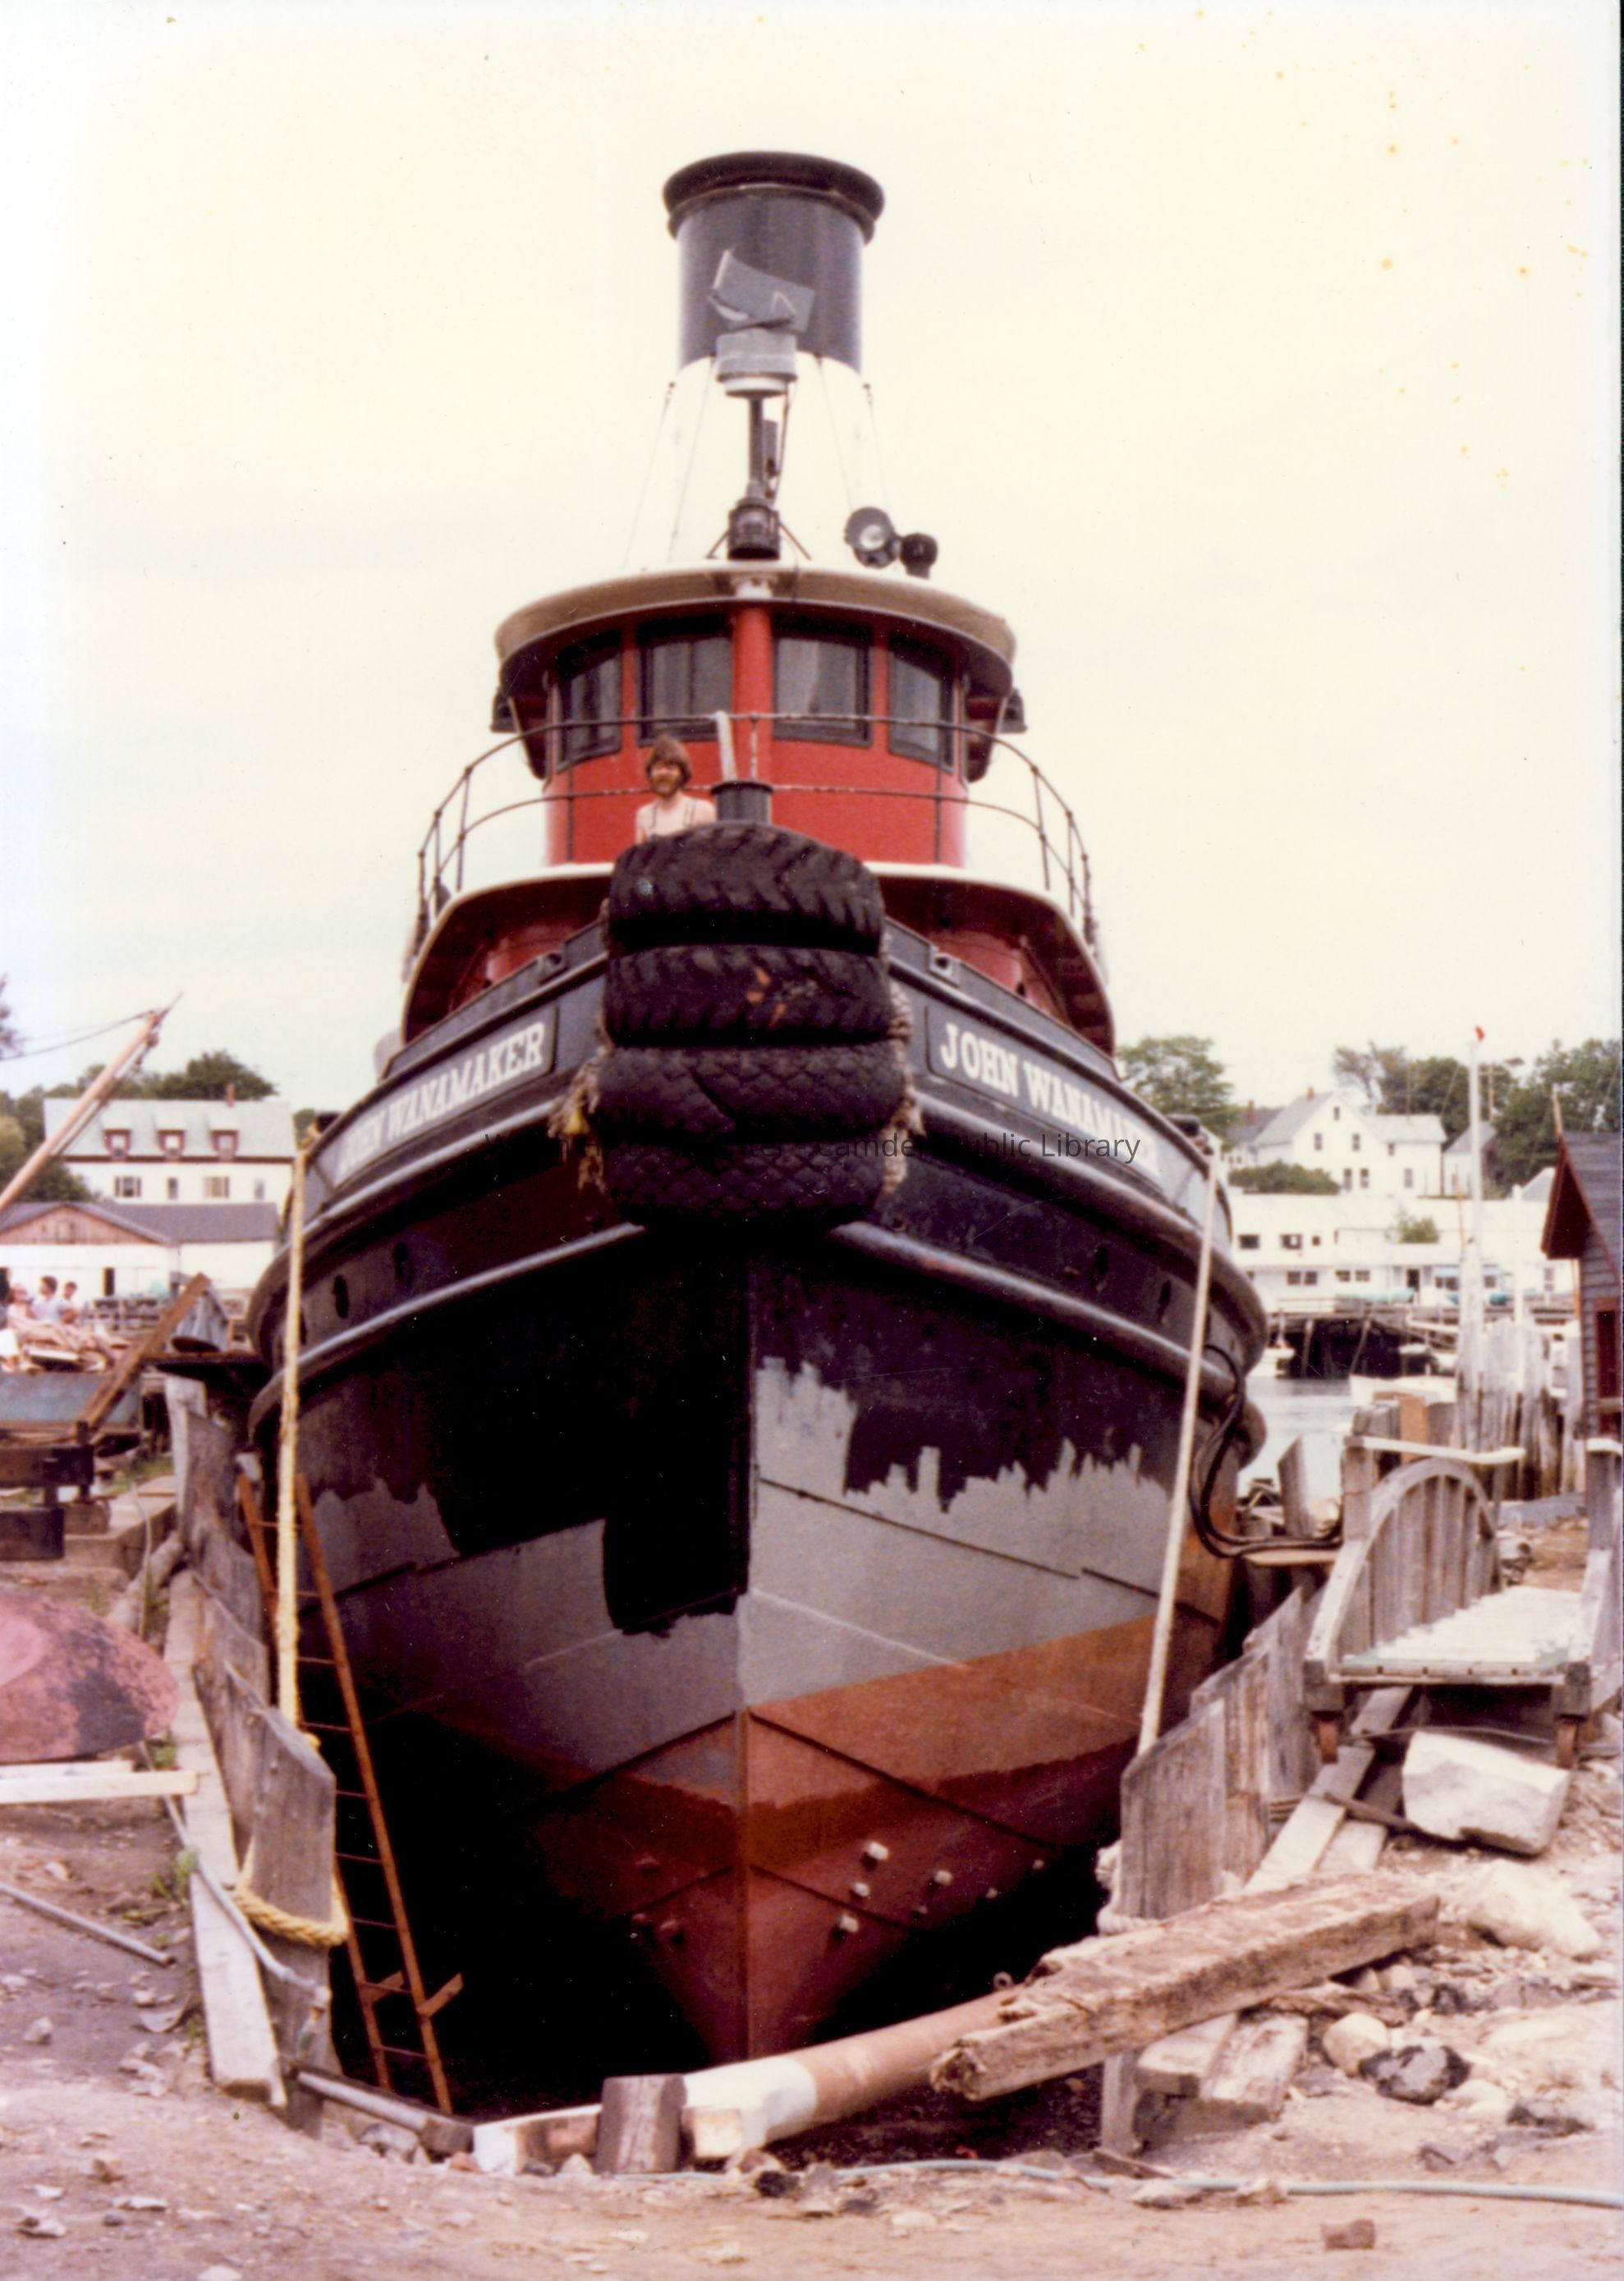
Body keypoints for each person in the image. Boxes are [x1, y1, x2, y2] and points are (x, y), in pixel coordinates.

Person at [635, 736, 716, 842]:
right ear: (650, 774)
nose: (663, 773)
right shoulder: (644, 815)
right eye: (658, 767)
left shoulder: (702, 810)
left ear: (682, 773)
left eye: (670, 768)